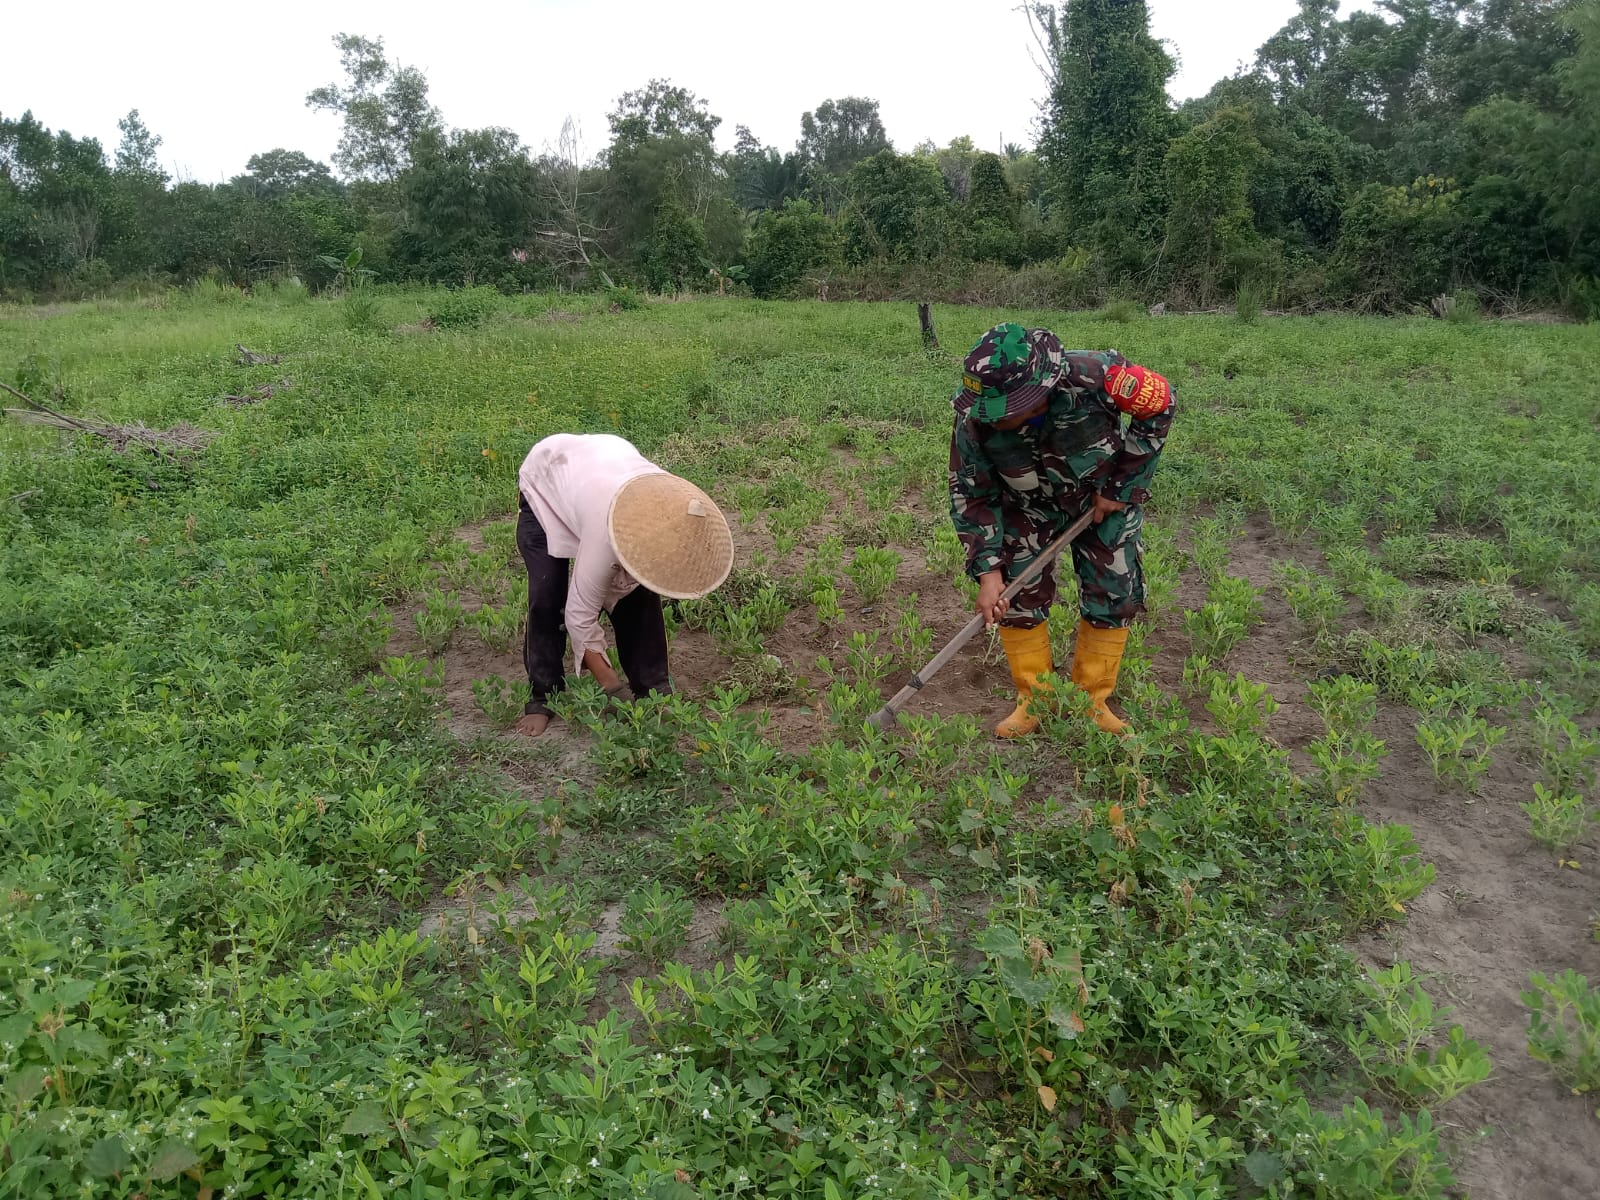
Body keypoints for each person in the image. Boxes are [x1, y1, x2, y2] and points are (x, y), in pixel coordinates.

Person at [948, 323, 1174, 738]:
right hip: (1026, 506)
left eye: (1006, 409)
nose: (996, 419)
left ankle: (1091, 701)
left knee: (1114, 590)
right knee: (1016, 596)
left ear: (1037, 391)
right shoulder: (974, 419)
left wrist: (1121, 486)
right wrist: (988, 571)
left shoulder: (1097, 375)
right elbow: (972, 494)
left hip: (1100, 500)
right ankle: (1035, 699)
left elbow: (1159, 407)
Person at [512, 432, 733, 737]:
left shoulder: (672, 502)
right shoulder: (606, 533)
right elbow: (578, 617)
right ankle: (542, 696)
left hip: (600, 468)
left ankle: (652, 690)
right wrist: (613, 689)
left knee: (639, 595)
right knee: (548, 595)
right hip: (549, 474)